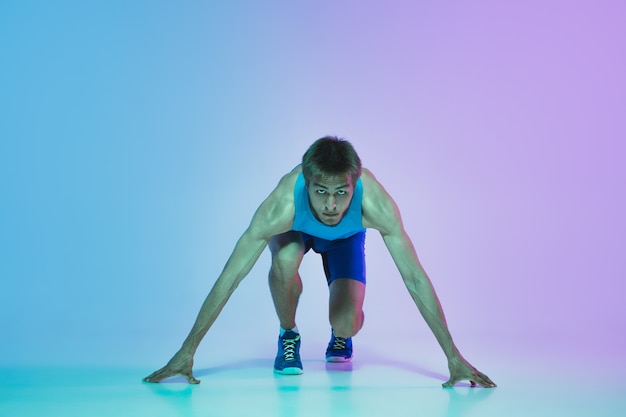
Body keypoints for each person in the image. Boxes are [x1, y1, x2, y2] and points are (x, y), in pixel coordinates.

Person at [143, 136, 496, 388]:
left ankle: (340, 335)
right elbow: (231, 277)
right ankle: (288, 334)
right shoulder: (281, 204)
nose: (331, 205)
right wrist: (186, 351)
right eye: (321, 192)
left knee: (346, 323)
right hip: (296, 232)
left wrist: (453, 356)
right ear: (307, 182)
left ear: (354, 184)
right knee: (283, 259)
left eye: (341, 193)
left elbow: (415, 280)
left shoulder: (376, 204)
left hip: (345, 241)